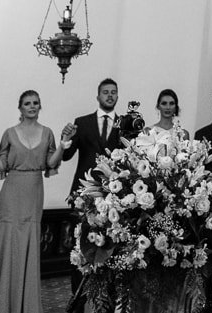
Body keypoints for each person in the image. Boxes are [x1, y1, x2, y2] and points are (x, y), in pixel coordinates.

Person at [0, 90, 61, 313]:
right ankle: (1, 305)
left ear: (40, 106)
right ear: (20, 108)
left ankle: (26, 306)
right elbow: (0, 167)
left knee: (30, 243)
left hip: (34, 194)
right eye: (27, 103)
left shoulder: (48, 133)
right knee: (7, 245)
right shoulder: (9, 133)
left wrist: (63, 145)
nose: (32, 106)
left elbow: (51, 163)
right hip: (11, 194)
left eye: (35, 103)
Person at [61, 77, 125, 309]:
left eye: (113, 92)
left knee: (111, 248)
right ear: (98, 96)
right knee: (80, 247)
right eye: (105, 92)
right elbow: (66, 156)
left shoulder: (124, 124)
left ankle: (107, 302)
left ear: (117, 96)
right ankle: (78, 301)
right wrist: (65, 140)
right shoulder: (83, 122)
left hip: (113, 196)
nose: (109, 95)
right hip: (83, 196)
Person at [138, 88, 183, 154]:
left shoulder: (182, 133)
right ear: (158, 106)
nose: (168, 107)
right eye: (164, 103)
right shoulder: (149, 131)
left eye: (171, 103)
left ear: (176, 107)